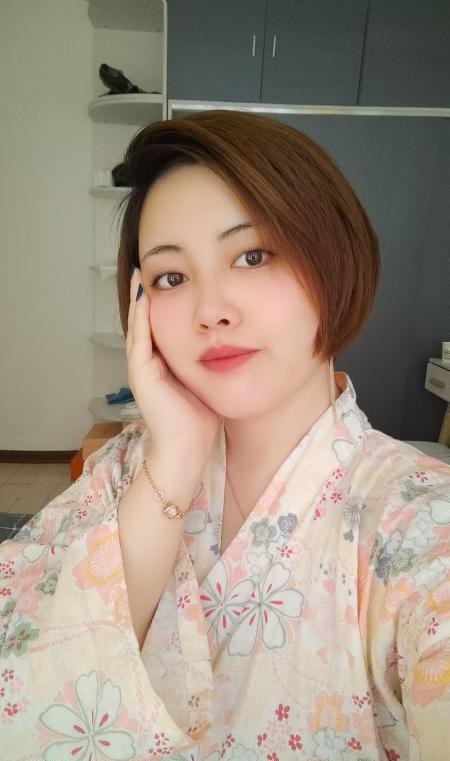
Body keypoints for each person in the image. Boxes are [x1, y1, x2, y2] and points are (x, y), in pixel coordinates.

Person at [0, 110, 449, 760]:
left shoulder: (419, 525)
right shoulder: (127, 465)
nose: (211, 310)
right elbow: (24, 669)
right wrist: (177, 456)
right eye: (171, 277)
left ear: (333, 258)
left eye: (253, 255)